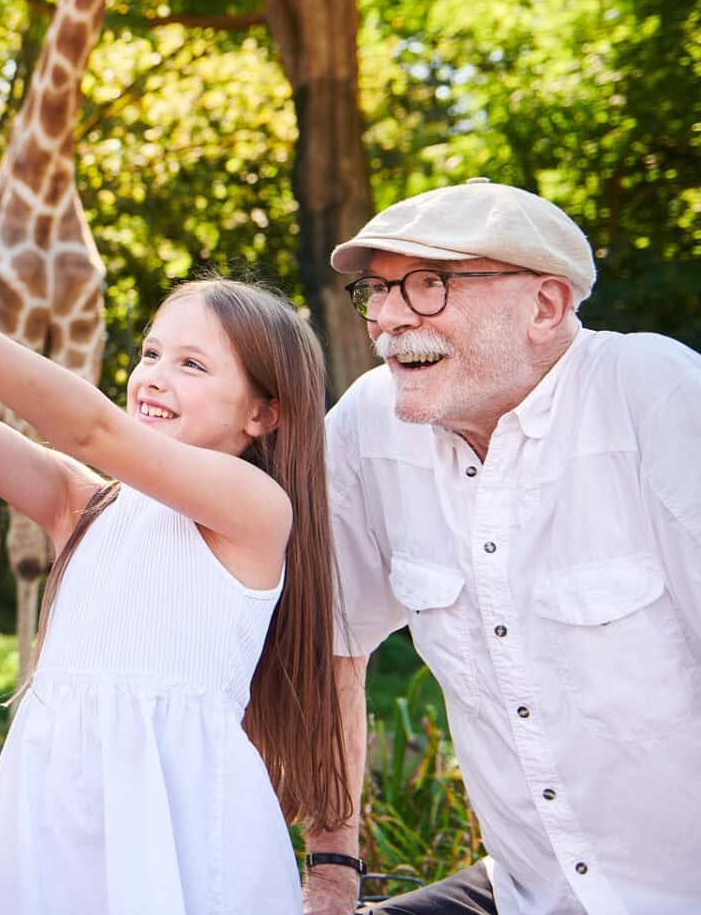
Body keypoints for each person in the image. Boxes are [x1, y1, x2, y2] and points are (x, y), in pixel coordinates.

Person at [0, 175, 348, 914]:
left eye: (192, 365)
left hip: (181, 834)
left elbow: (93, 428)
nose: (154, 378)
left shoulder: (255, 510)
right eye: (151, 353)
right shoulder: (89, 505)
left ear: (264, 414)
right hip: (55, 816)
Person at [300, 179, 701, 915]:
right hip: (525, 894)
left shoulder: (655, 396)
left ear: (544, 307)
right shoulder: (367, 423)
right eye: (378, 291)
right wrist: (332, 864)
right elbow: (334, 642)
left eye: (427, 285)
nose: (386, 319)